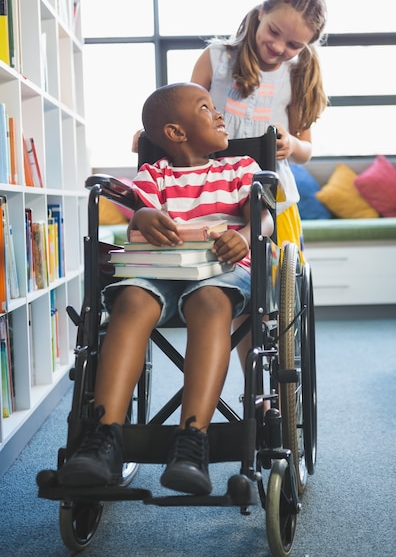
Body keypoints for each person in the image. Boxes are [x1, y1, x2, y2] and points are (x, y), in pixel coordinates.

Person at [57, 82, 274, 496]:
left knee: (211, 302)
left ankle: (191, 442)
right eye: (207, 108)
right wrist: (142, 216)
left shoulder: (241, 167)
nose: (219, 115)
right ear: (176, 133)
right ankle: (104, 438)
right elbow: (137, 217)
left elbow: (262, 218)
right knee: (129, 299)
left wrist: (245, 234)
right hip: (158, 274)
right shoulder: (153, 176)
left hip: (223, 272)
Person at [190, 0, 327, 369]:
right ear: (260, 14)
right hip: (215, 195)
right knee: (234, 295)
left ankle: (267, 390)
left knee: (272, 303)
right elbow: (178, 113)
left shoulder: (297, 72)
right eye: (274, 33)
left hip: (273, 201)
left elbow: (306, 148)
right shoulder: (217, 59)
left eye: (294, 45)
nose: (280, 48)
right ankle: (246, 380)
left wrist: (290, 145)